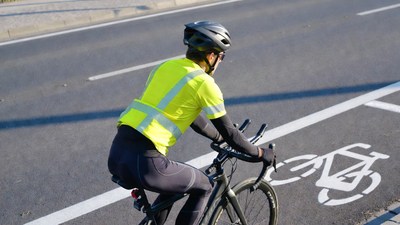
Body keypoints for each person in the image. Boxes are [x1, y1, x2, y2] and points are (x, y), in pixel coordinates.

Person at [108, 20, 275, 225]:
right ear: (211, 55)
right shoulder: (203, 83)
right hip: (147, 162)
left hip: (117, 153)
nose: (221, 61)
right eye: (221, 56)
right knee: (205, 185)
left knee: (173, 188)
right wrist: (261, 153)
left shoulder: (166, 67)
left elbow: (193, 118)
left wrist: (218, 137)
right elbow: (231, 133)